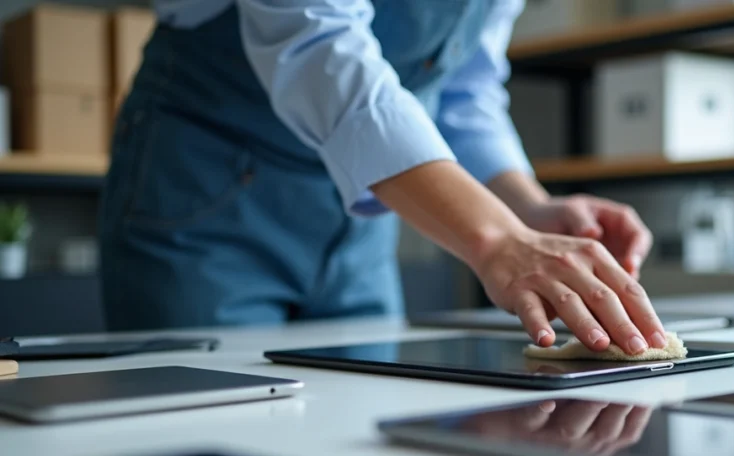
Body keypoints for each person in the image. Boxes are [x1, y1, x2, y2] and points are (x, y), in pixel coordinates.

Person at [99, 0, 667, 356]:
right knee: (204, 451)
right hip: (204, 195)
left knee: (362, 435)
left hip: (360, 229)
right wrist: (497, 238)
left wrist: (527, 207)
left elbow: (460, 88)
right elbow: (317, 47)